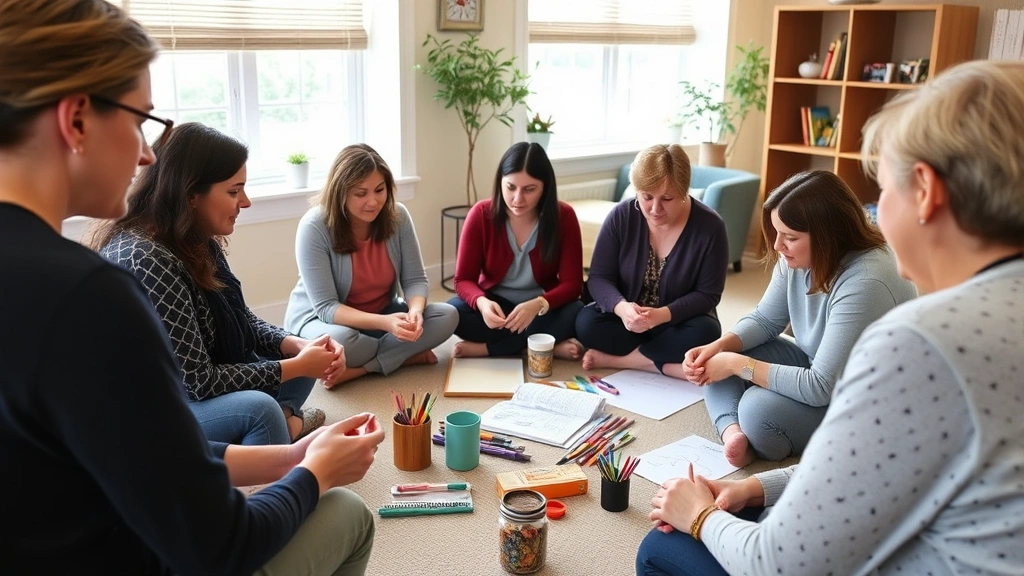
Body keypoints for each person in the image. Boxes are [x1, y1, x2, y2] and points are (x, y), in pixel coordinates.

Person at [0, 1, 383, 573]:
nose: (147, 153)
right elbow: (220, 546)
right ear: (76, 118)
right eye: (139, 121)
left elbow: (141, 455)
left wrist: (290, 454)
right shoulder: (89, 295)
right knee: (350, 514)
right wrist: (314, 474)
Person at [637, 59, 1024, 575]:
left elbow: (779, 563)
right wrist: (753, 487)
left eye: (883, 191)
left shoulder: (918, 341)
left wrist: (701, 515)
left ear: (926, 192)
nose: (879, 213)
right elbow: (875, 473)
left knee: (660, 550)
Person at [96, 122, 339, 444]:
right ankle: (277, 429)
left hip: (201, 382)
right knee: (260, 408)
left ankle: (281, 427)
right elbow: (197, 381)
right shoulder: (148, 259)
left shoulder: (193, 236)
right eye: (234, 191)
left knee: (303, 361)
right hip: (159, 404)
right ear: (191, 194)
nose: (246, 202)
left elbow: (242, 319)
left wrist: (294, 346)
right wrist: (292, 366)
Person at [682, 170, 917, 468]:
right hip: (816, 364)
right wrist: (720, 347)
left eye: (790, 237)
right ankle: (733, 435)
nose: (778, 245)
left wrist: (734, 364)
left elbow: (820, 386)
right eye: (777, 232)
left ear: (827, 236)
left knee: (756, 408)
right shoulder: (799, 255)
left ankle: (754, 434)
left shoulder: (867, 282)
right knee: (720, 357)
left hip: (862, 399)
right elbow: (767, 319)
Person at [284, 143, 458, 385]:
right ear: (340, 191)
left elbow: (415, 280)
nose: (373, 202)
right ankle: (399, 357)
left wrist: (415, 312)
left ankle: (361, 370)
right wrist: (386, 324)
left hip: (383, 316)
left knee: (447, 315)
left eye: (379, 190)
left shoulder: (398, 216)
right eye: (360, 193)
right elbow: (326, 307)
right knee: (343, 343)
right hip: (322, 321)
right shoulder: (314, 226)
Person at [575, 144, 725, 374]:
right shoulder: (622, 216)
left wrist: (662, 315)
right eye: (646, 197)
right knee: (585, 323)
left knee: (706, 332)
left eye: (667, 198)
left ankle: (623, 361)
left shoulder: (711, 227)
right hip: (628, 322)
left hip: (676, 322)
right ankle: (663, 363)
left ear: (684, 191)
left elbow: (708, 295)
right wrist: (622, 308)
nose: (655, 209)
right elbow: (599, 278)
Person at [448, 142, 585, 359]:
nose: (517, 199)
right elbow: (463, 279)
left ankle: (490, 349)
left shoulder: (564, 216)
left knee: (577, 313)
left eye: (529, 189)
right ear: (500, 182)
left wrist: (539, 304)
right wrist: (482, 304)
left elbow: (573, 284)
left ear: (545, 188)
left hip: (541, 307)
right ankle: (540, 346)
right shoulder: (481, 214)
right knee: (452, 312)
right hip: (496, 305)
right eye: (510, 187)